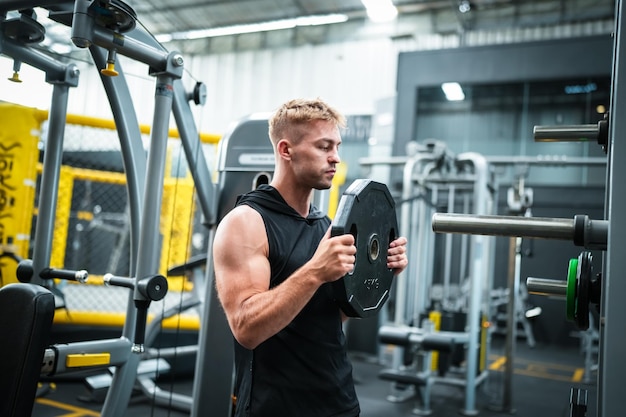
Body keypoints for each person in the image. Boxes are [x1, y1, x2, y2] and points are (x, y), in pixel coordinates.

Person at [213, 97, 408, 417]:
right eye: (324, 147)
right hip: (275, 408)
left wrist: (378, 272)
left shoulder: (325, 226)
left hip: (338, 401)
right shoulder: (246, 222)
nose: (335, 158)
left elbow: (333, 316)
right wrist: (316, 270)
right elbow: (246, 329)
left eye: (337, 147)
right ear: (286, 150)